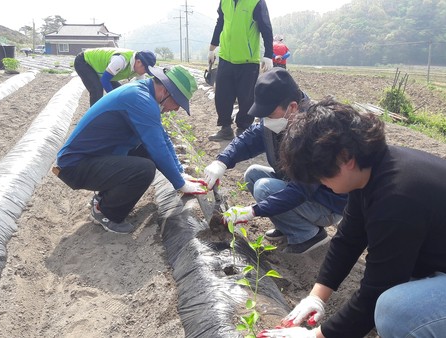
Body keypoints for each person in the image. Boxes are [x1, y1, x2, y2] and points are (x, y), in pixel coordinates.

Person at [258, 99, 446, 337]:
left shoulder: (398, 196)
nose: (322, 184)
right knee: (395, 296)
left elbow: (376, 291)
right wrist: (317, 297)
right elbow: (348, 238)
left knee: (394, 311)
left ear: (346, 157)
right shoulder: (372, 170)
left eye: (322, 175)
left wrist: (316, 336)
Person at [203, 68, 347, 254]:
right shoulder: (280, 119)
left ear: (292, 107)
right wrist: (222, 161)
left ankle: (308, 235)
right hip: (300, 188)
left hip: (325, 203)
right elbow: (248, 140)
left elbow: (300, 190)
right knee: (252, 174)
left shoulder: (315, 131)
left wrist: (252, 211)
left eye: (269, 115)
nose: (265, 120)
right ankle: (288, 225)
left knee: (264, 188)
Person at [54, 65, 207, 234]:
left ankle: (103, 197)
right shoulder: (140, 99)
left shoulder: (143, 94)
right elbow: (158, 148)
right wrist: (181, 184)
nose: (177, 109)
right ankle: (105, 212)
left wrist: (181, 174)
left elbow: (162, 138)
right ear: (165, 91)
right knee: (144, 169)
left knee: (145, 152)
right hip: (75, 166)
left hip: (93, 158)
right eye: (177, 102)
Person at [207, 0, 274, 142]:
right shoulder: (225, 2)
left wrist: (268, 54)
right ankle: (225, 128)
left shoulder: (256, 2)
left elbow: (266, 28)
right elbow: (220, 23)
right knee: (222, 95)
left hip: (248, 60)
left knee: (247, 98)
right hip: (226, 57)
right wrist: (212, 48)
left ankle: (244, 128)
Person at [74, 47, 156, 106]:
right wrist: (115, 99)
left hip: (103, 70)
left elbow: (140, 88)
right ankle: (92, 119)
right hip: (85, 61)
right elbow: (105, 80)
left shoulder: (139, 68)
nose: (144, 72)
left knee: (120, 91)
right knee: (97, 89)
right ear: (138, 62)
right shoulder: (121, 60)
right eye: (145, 70)